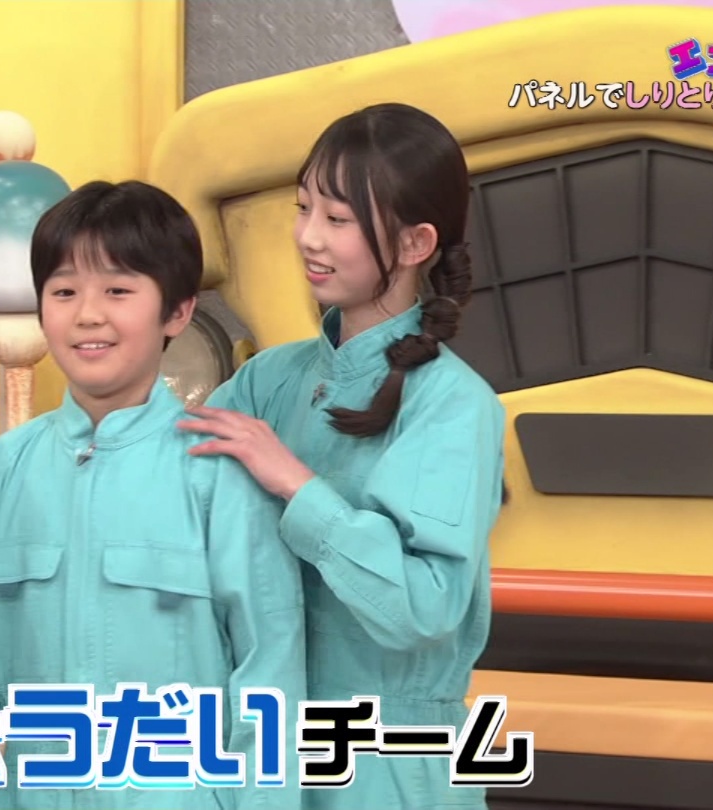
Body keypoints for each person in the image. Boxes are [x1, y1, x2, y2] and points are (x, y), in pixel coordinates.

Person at [0, 180, 307, 810]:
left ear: (177, 312)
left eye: (118, 291)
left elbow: (270, 682)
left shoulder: (221, 472)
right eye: (64, 291)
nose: (88, 315)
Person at [176, 103, 506, 809]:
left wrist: (299, 487)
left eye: (338, 218)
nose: (308, 236)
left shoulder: (455, 404)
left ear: (416, 242)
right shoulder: (267, 380)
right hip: (266, 759)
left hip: (390, 769)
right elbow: (165, 498)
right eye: (303, 208)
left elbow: (424, 608)